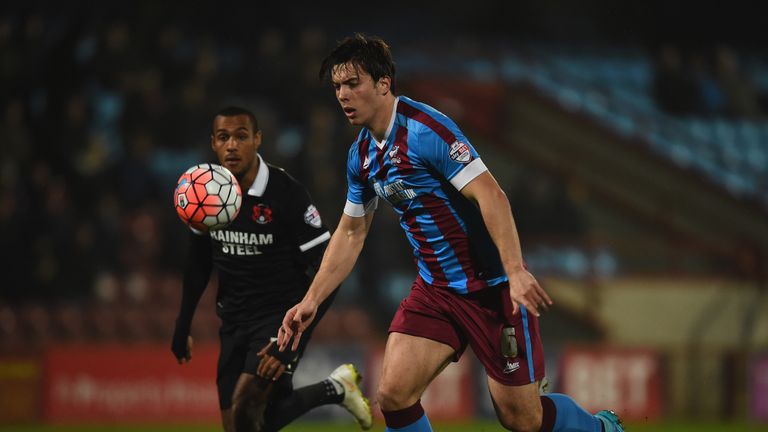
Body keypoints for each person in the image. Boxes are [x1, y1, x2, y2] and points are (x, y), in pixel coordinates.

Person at [278, 34, 624, 432]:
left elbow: (491, 196)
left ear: (383, 83)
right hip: (436, 291)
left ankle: (600, 428)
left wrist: (514, 271)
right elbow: (352, 232)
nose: (342, 95)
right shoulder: (360, 155)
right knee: (393, 395)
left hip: (491, 288)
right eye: (337, 86)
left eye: (353, 83)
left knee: (522, 419)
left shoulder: (427, 131)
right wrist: (311, 300)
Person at [171, 106, 373, 432]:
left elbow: (329, 268)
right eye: (223, 137)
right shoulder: (203, 191)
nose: (232, 145)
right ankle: (335, 388)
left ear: (257, 140)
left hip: (279, 321)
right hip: (233, 319)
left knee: (246, 413)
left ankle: (334, 388)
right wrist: (182, 325)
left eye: (241, 136)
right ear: (213, 143)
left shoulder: (286, 192)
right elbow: (199, 262)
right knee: (241, 426)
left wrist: (294, 337)